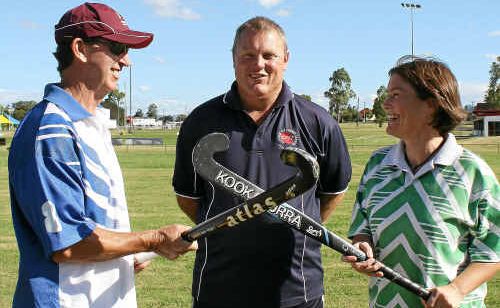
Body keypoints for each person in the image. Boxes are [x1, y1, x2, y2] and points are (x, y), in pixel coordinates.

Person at [8, 3, 196, 307]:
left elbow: (92, 228)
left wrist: (126, 253)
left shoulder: (92, 125)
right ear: (80, 49)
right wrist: (153, 240)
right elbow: (68, 244)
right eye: (118, 47)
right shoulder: (51, 129)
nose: (127, 61)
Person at [173, 16, 352, 308]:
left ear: (285, 59)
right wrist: (234, 226)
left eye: (268, 55)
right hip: (218, 289)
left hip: (297, 290)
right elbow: (189, 200)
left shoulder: (318, 122)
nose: (258, 65)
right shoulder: (200, 122)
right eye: (248, 56)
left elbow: (331, 195)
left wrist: (288, 225)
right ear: (234, 59)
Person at [343, 56, 499, 308]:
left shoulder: (472, 172)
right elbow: (363, 226)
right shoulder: (377, 164)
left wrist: (457, 290)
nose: (385, 103)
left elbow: (494, 248)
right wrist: (362, 246)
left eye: (396, 94)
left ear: (431, 105)